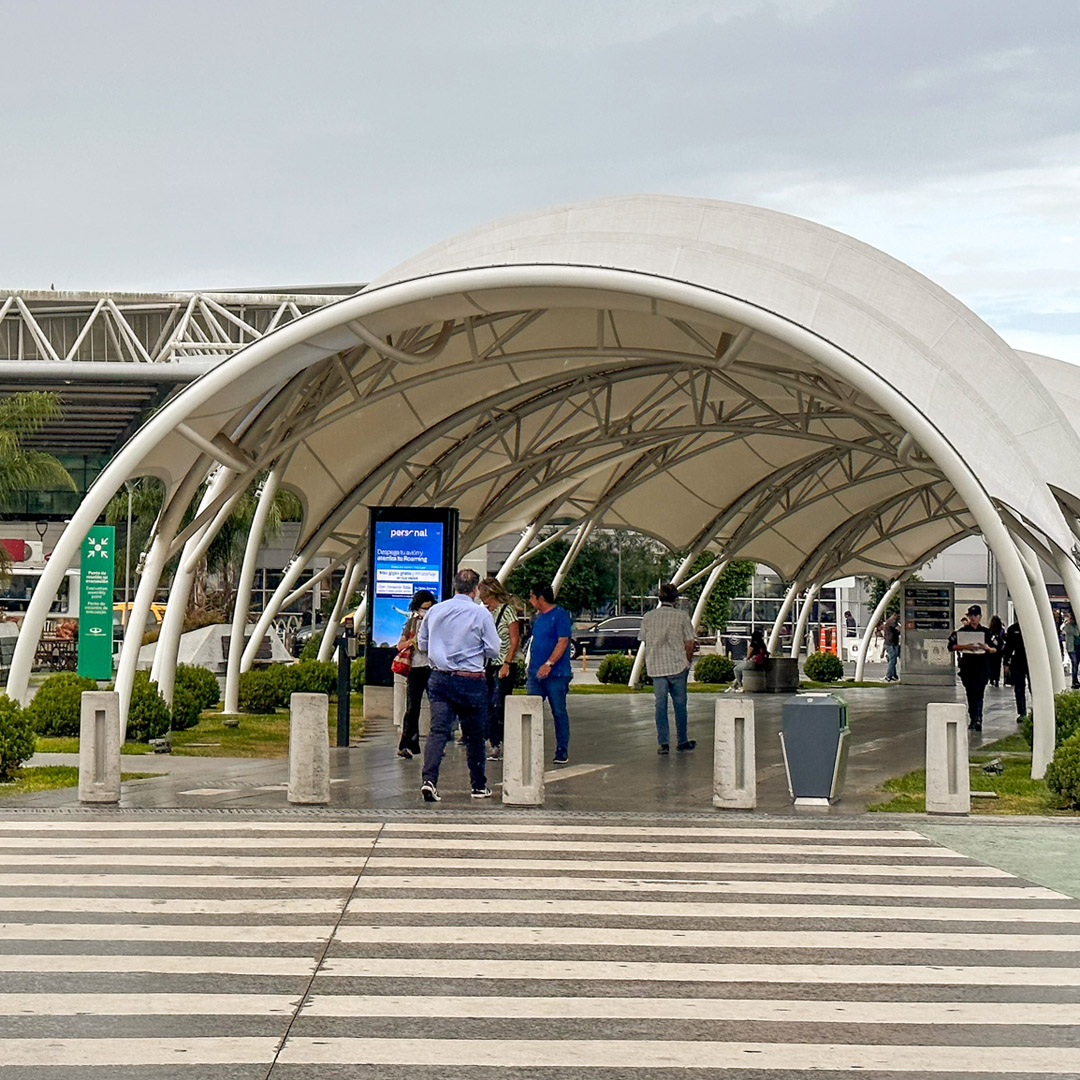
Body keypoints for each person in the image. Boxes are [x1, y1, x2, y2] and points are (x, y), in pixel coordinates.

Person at [417, 569, 500, 802]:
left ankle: (429, 780)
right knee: (474, 734)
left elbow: (422, 643)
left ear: (455, 587)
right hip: (470, 680)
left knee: (438, 730)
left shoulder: (435, 610)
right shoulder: (481, 614)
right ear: (475, 590)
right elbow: (493, 649)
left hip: (440, 678)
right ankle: (478, 785)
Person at [638, 583, 697, 754]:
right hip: (677, 666)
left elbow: (644, 639)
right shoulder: (682, 617)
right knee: (680, 704)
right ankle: (682, 740)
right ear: (676, 599)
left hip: (656, 667)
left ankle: (663, 743)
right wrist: (687, 661)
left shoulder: (648, 617)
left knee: (660, 705)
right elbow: (689, 642)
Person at [526, 582, 573, 764]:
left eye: (532, 597)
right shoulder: (538, 618)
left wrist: (549, 663)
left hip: (556, 674)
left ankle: (562, 749)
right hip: (535, 673)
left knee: (559, 711)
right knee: (531, 709)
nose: (530, 601)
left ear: (541, 598)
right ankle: (531, 746)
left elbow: (562, 641)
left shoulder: (560, 615)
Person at [477, 577, 521, 760]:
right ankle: (491, 739)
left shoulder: (507, 611)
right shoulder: (485, 613)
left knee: (498, 703)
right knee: (487, 703)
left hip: (503, 663)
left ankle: (498, 741)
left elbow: (514, 639)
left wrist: (507, 664)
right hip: (489, 663)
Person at [395, 590, 436, 759]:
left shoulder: (436, 621)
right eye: (423, 608)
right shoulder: (411, 623)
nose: (426, 611)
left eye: (429, 607)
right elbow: (400, 645)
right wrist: (413, 641)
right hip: (416, 667)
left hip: (433, 667)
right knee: (412, 707)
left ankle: (437, 741)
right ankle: (407, 743)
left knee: (437, 706)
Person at [947, 604, 996, 731]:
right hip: (968, 666)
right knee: (970, 693)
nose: (973, 618)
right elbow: (951, 646)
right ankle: (973, 717)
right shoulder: (962, 632)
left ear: (980, 616)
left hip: (982, 666)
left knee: (979, 693)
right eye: (971, 616)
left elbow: (996, 649)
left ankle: (978, 718)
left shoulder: (986, 632)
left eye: (975, 615)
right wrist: (965, 647)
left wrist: (986, 648)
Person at [1001, 620, 1030, 722]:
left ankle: (1036, 710)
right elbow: (1008, 647)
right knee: (1019, 688)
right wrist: (1006, 663)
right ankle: (1022, 712)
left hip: (1032, 660)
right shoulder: (1013, 629)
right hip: (1017, 661)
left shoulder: (1032, 627)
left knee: (1034, 688)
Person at [987, 614, 1006, 688]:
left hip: (992, 650)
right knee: (997, 666)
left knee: (992, 665)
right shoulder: (1001, 630)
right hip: (998, 651)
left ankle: (992, 679)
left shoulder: (990, 631)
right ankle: (996, 679)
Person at [883, 612, 901, 682]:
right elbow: (899, 629)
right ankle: (888, 676)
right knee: (892, 660)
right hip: (890, 644)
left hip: (892, 643)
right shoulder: (892, 622)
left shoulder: (889, 622)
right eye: (898, 617)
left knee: (893, 660)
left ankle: (894, 675)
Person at [1064, 610, 1080, 690]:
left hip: (1078, 647)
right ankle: (1074, 681)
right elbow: (1077, 633)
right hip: (1072, 648)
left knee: (1076, 665)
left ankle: (1076, 680)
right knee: (1075, 664)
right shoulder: (1068, 626)